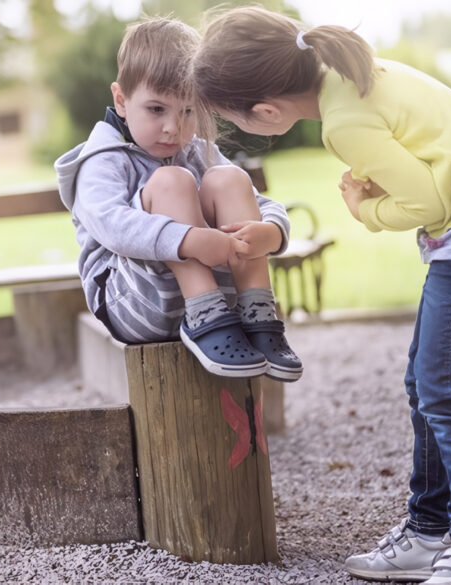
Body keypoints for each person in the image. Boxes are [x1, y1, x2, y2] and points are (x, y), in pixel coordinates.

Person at [193, 6, 451, 585]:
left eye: (232, 119)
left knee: (443, 387)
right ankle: (429, 531)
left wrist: (366, 209)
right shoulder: (348, 72)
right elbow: (429, 150)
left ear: (267, 111)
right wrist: (390, 181)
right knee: (426, 383)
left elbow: (428, 204)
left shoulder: (342, 122)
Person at [54, 16, 302, 381]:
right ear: (121, 100)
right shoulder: (102, 160)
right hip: (135, 302)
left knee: (229, 178)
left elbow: (258, 202)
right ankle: (205, 314)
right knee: (172, 181)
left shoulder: (197, 151)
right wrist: (187, 240)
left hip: (225, 307)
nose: (174, 127)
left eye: (188, 111)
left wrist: (273, 231)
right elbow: (111, 226)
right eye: (157, 109)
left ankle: (258, 312)